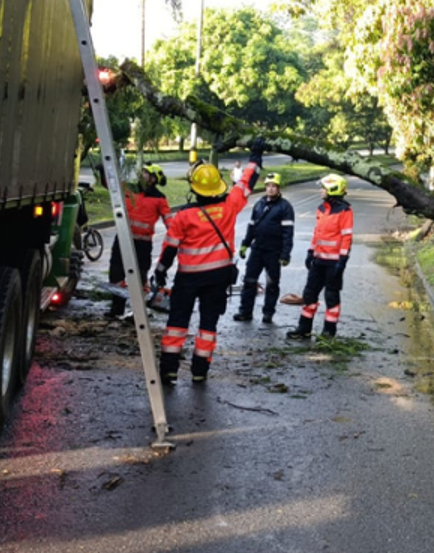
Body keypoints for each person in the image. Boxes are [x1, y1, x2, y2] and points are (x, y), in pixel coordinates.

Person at [152, 141, 264, 384]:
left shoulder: (184, 215)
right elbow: (247, 183)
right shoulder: (229, 206)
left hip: (188, 278)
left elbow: (169, 249)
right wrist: (256, 156)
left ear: (194, 188)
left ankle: (169, 370)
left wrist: (160, 272)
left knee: (177, 323)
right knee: (208, 324)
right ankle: (200, 371)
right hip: (218, 277)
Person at [287, 174, 353, 341]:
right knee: (309, 294)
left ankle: (329, 332)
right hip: (318, 261)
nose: (320, 191)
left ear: (332, 189)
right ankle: (304, 329)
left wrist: (342, 261)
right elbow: (317, 233)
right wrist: (310, 252)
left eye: (323, 188)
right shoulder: (321, 209)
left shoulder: (345, 211)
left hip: (334, 263)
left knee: (331, 297)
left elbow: (346, 237)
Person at [107, 163, 172, 320]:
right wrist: (105, 169)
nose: (142, 175)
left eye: (145, 173)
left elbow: (169, 221)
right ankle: (117, 309)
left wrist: (178, 235)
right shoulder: (130, 190)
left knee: (140, 278)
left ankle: (139, 311)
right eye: (142, 172)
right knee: (116, 274)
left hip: (142, 244)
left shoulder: (159, 198)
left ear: (153, 178)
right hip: (122, 239)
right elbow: (111, 184)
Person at [234, 172, 295, 324]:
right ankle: (245, 311)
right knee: (249, 281)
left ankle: (268, 313)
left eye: (274, 186)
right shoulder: (259, 204)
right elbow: (251, 226)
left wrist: (285, 254)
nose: (270, 189)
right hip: (257, 249)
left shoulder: (285, 207)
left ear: (279, 188)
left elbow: (288, 233)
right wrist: (245, 244)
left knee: (272, 284)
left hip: (274, 251)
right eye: (268, 186)